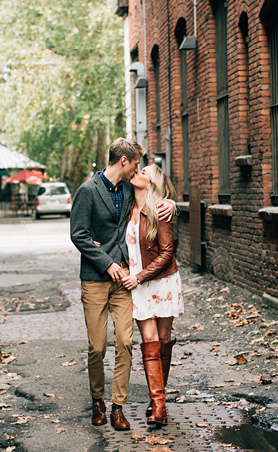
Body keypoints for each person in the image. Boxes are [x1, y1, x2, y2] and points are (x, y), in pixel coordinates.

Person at [70, 139, 174, 431]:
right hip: (95, 279)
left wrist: (173, 205)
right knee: (97, 346)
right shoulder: (87, 191)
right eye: (136, 163)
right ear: (124, 161)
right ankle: (97, 401)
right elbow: (78, 234)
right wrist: (106, 261)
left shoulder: (130, 189)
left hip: (124, 281)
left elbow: (153, 200)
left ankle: (118, 407)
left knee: (126, 343)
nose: (138, 169)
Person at [121, 164, 183, 427]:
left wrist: (172, 204)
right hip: (138, 284)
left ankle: (159, 398)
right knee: (149, 339)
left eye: (145, 171)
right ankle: (158, 404)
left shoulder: (160, 210)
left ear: (152, 183)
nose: (138, 172)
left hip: (162, 281)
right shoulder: (125, 206)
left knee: (164, 339)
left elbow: (167, 252)